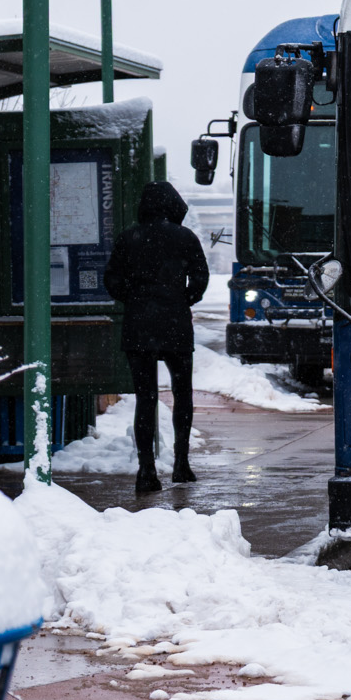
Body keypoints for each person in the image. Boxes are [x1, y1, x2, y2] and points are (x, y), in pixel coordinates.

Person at [103, 181, 210, 491]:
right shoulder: (185, 237)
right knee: (182, 393)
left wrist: (134, 298)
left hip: (139, 325)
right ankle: (181, 464)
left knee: (145, 399)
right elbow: (200, 276)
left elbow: (111, 278)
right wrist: (184, 297)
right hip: (175, 323)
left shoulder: (129, 238)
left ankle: (146, 470)